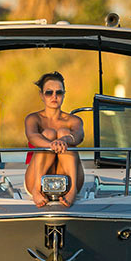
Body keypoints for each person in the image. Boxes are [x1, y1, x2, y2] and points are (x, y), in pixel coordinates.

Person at [24, 71, 84, 207]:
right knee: (49, 133)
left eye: (59, 92)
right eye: (49, 92)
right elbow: (33, 137)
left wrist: (64, 140)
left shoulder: (74, 120)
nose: (54, 96)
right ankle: (37, 190)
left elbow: (79, 136)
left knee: (64, 133)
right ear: (41, 95)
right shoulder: (33, 118)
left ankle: (72, 190)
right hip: (37, 177)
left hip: (67, 175)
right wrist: (52, 144)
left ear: (64, 94)